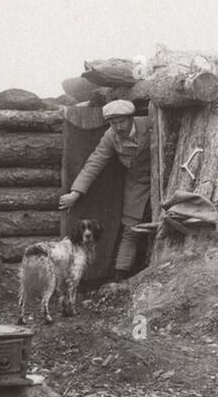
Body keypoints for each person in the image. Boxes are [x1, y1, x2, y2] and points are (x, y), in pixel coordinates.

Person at [59, 99, 152, 280]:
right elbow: (95, 161)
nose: (118, 127)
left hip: (165, 180)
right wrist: (75, 193)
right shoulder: (111, 136)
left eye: (121, 121)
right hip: (138, 184)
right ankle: (120, 275)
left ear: (131, 118)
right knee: (130, 229)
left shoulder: (150, 125)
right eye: (113, 123)